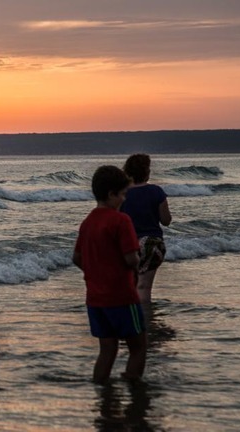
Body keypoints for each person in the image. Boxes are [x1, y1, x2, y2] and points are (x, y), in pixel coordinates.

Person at [73, 165, 147, 384]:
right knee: (139, 346)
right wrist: (138, 259)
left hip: (95, 299)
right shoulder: (121, 221)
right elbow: (131, 259)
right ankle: (134, 390)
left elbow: (76, 258)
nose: (124, 200)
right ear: (111, 194)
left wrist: (96, 272)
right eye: (122, 194)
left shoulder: (87, 222)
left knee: (107, 350)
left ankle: (102, 392)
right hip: (122, 296)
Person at [120, 154, 172, 305]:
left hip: (128, 245)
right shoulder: (156, 191)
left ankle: (133, 318)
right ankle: (146, 319)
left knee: (130, 285)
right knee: (144, 286)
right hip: (152, 243)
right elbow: (166, 221)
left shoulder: (121, 194)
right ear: (146, 172)